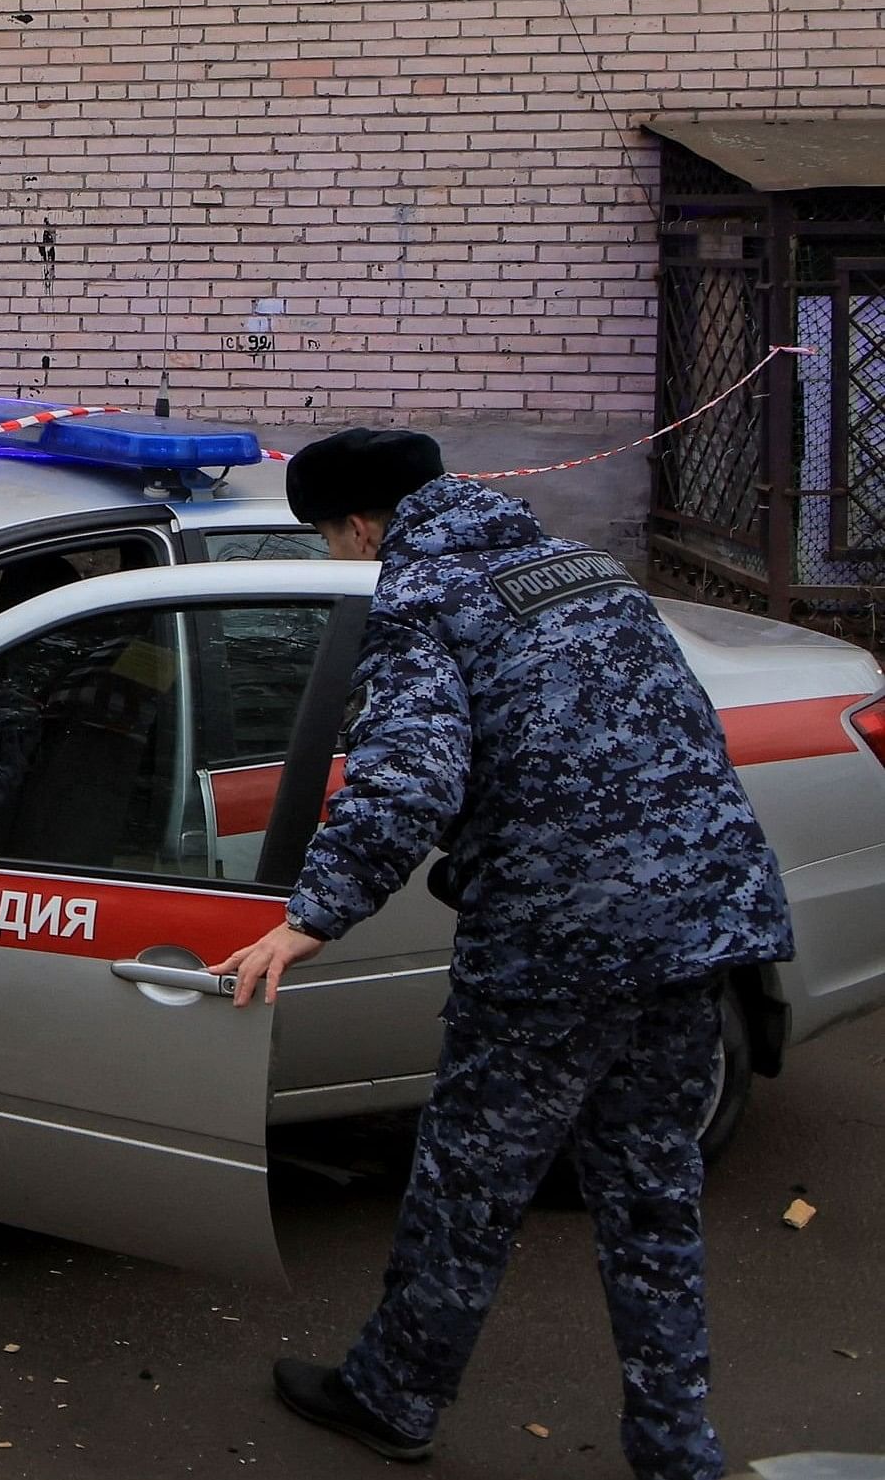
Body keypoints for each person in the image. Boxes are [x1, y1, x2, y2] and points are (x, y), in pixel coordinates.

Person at [214, 429, 791, 1478]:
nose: (348, 560)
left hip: (556, 949)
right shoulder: (583, 569)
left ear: (358, 523)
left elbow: (408, 778)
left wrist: (309, 917)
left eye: (334, 540)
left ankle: (391, 1396)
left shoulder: (421, 599)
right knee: (652, 1195)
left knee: (465, 1188)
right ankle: (676, 1450)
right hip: (697, 923)